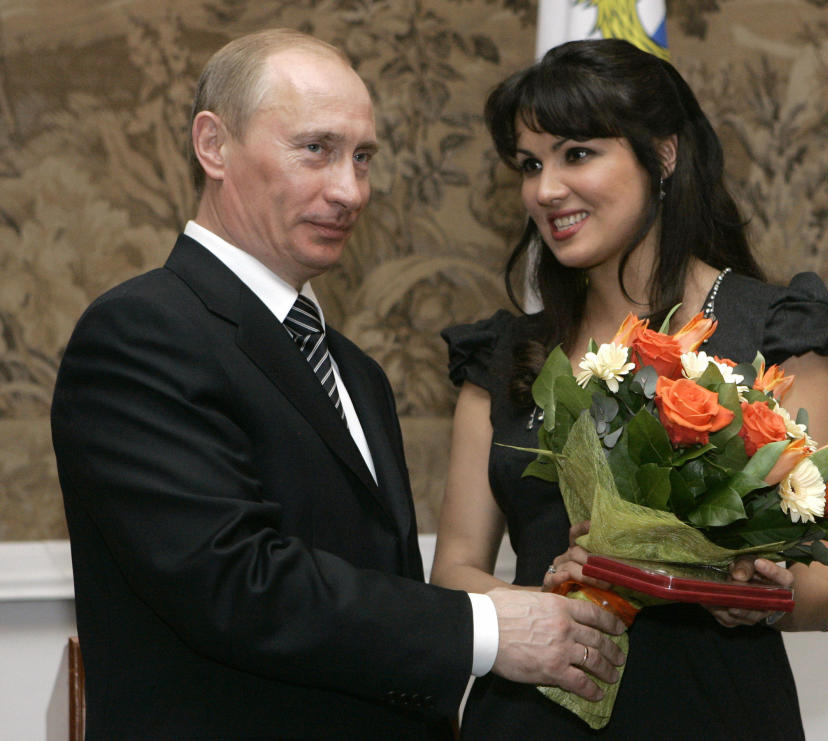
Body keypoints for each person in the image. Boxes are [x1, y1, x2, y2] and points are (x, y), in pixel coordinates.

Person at [50, 29, 628, 741]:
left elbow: (372, 600)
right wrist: (488, 626)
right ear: (214, 146)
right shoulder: (140, 332)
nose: (350, 190)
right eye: (316, 149)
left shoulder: (354, 370)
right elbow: (237, 584)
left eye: (363, 157)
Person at [431, 38, 828, 739]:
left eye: (577, 154)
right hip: (535, 715)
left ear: (663, 154)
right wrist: (549, 599)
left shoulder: (777, 333)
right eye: (530, 165)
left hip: (713, 712)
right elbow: (455, 570)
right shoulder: (506, 355)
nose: (545, 189)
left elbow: (827, 587)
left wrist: (753, 592)